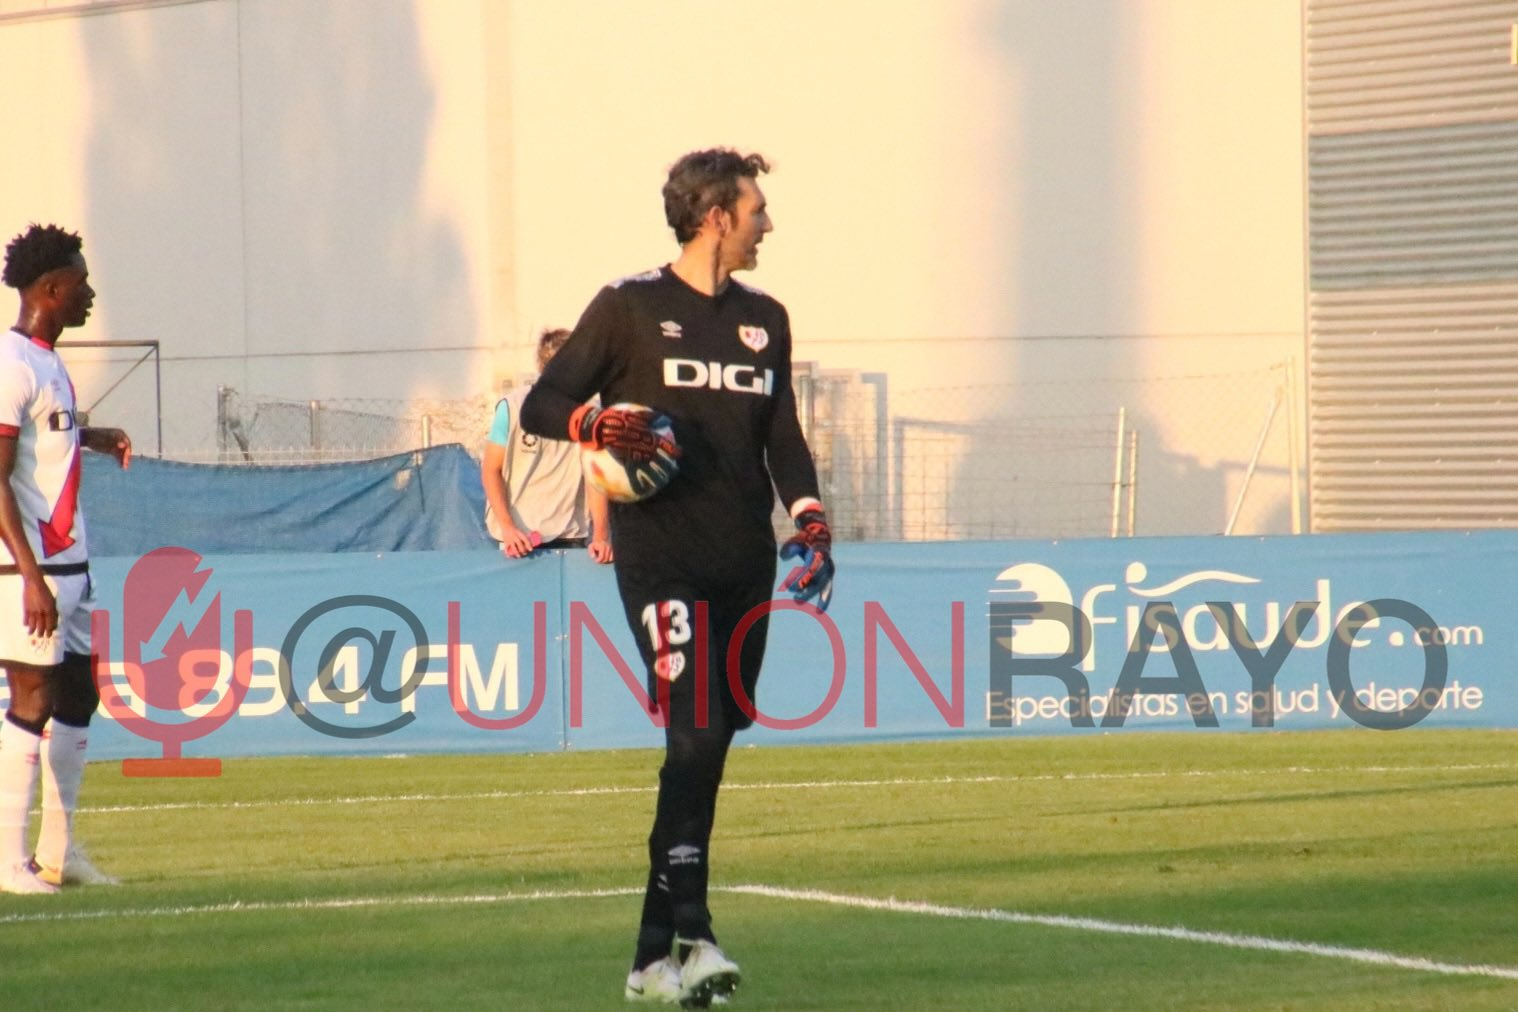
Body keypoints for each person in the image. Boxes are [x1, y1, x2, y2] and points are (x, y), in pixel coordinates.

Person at [520, 149, 835, 1006]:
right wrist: (598, 420)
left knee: (709, 747)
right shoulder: (628, 307)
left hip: (744, 562)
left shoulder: (766, 317)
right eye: (758, 209)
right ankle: (697, 935)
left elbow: (783, 438)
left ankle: (650, 960)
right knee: (692, 732)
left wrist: (810, 519)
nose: (769, 224)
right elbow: (541, 404)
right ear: (716, 217)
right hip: (662, 558)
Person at [0, 224, 131, 894]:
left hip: (73, 567)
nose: (90, 292)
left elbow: (43, 435)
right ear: (51, 288)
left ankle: (60, 851)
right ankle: (7, 862)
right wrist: (28, 577)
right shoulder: (11, 362)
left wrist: (92, 433)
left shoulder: (49, 363)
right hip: (32, 573)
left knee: (80, 694)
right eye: (80, 281)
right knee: (31, 696)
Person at [481, 328, 612, 564]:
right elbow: (491, 469)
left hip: (569, 540)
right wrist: (508, 528)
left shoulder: (589, 416)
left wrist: (601, 535)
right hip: (517, 542)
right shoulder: (512, 408)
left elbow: (596, 479)